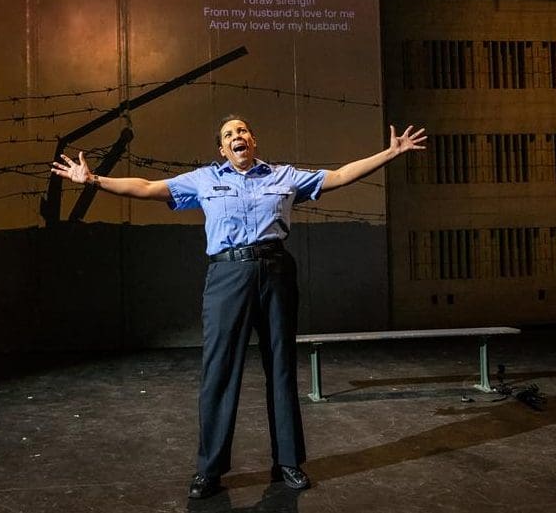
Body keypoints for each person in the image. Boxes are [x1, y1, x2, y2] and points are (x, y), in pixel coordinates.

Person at [51, 115, 426, 499]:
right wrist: (93, 180)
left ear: (253, 140)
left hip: (275, 271)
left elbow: (341, 176)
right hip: (227, 276)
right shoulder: (204, 179)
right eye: (229, 134)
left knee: (280, 367)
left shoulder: (283, 176)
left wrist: (389, 153)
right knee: (219, 371)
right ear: (222, 149)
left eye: (242, 130)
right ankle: (209, 469)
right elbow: (147, 187)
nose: (237, 136)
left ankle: (288, 462)